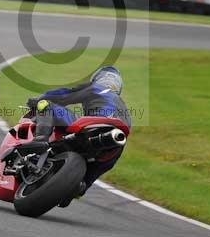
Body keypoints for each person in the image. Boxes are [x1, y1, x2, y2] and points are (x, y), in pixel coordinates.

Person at [26, 65, 131, 207]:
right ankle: (78, 186)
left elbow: (62, 95)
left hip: (91, 125)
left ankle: (40, 140)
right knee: (110, 154)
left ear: (97, 79)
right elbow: (107, 164)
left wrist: (39, 99)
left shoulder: (95, 88)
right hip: (113, 143)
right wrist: (82, 186)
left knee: (46, 105)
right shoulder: (125, 109)